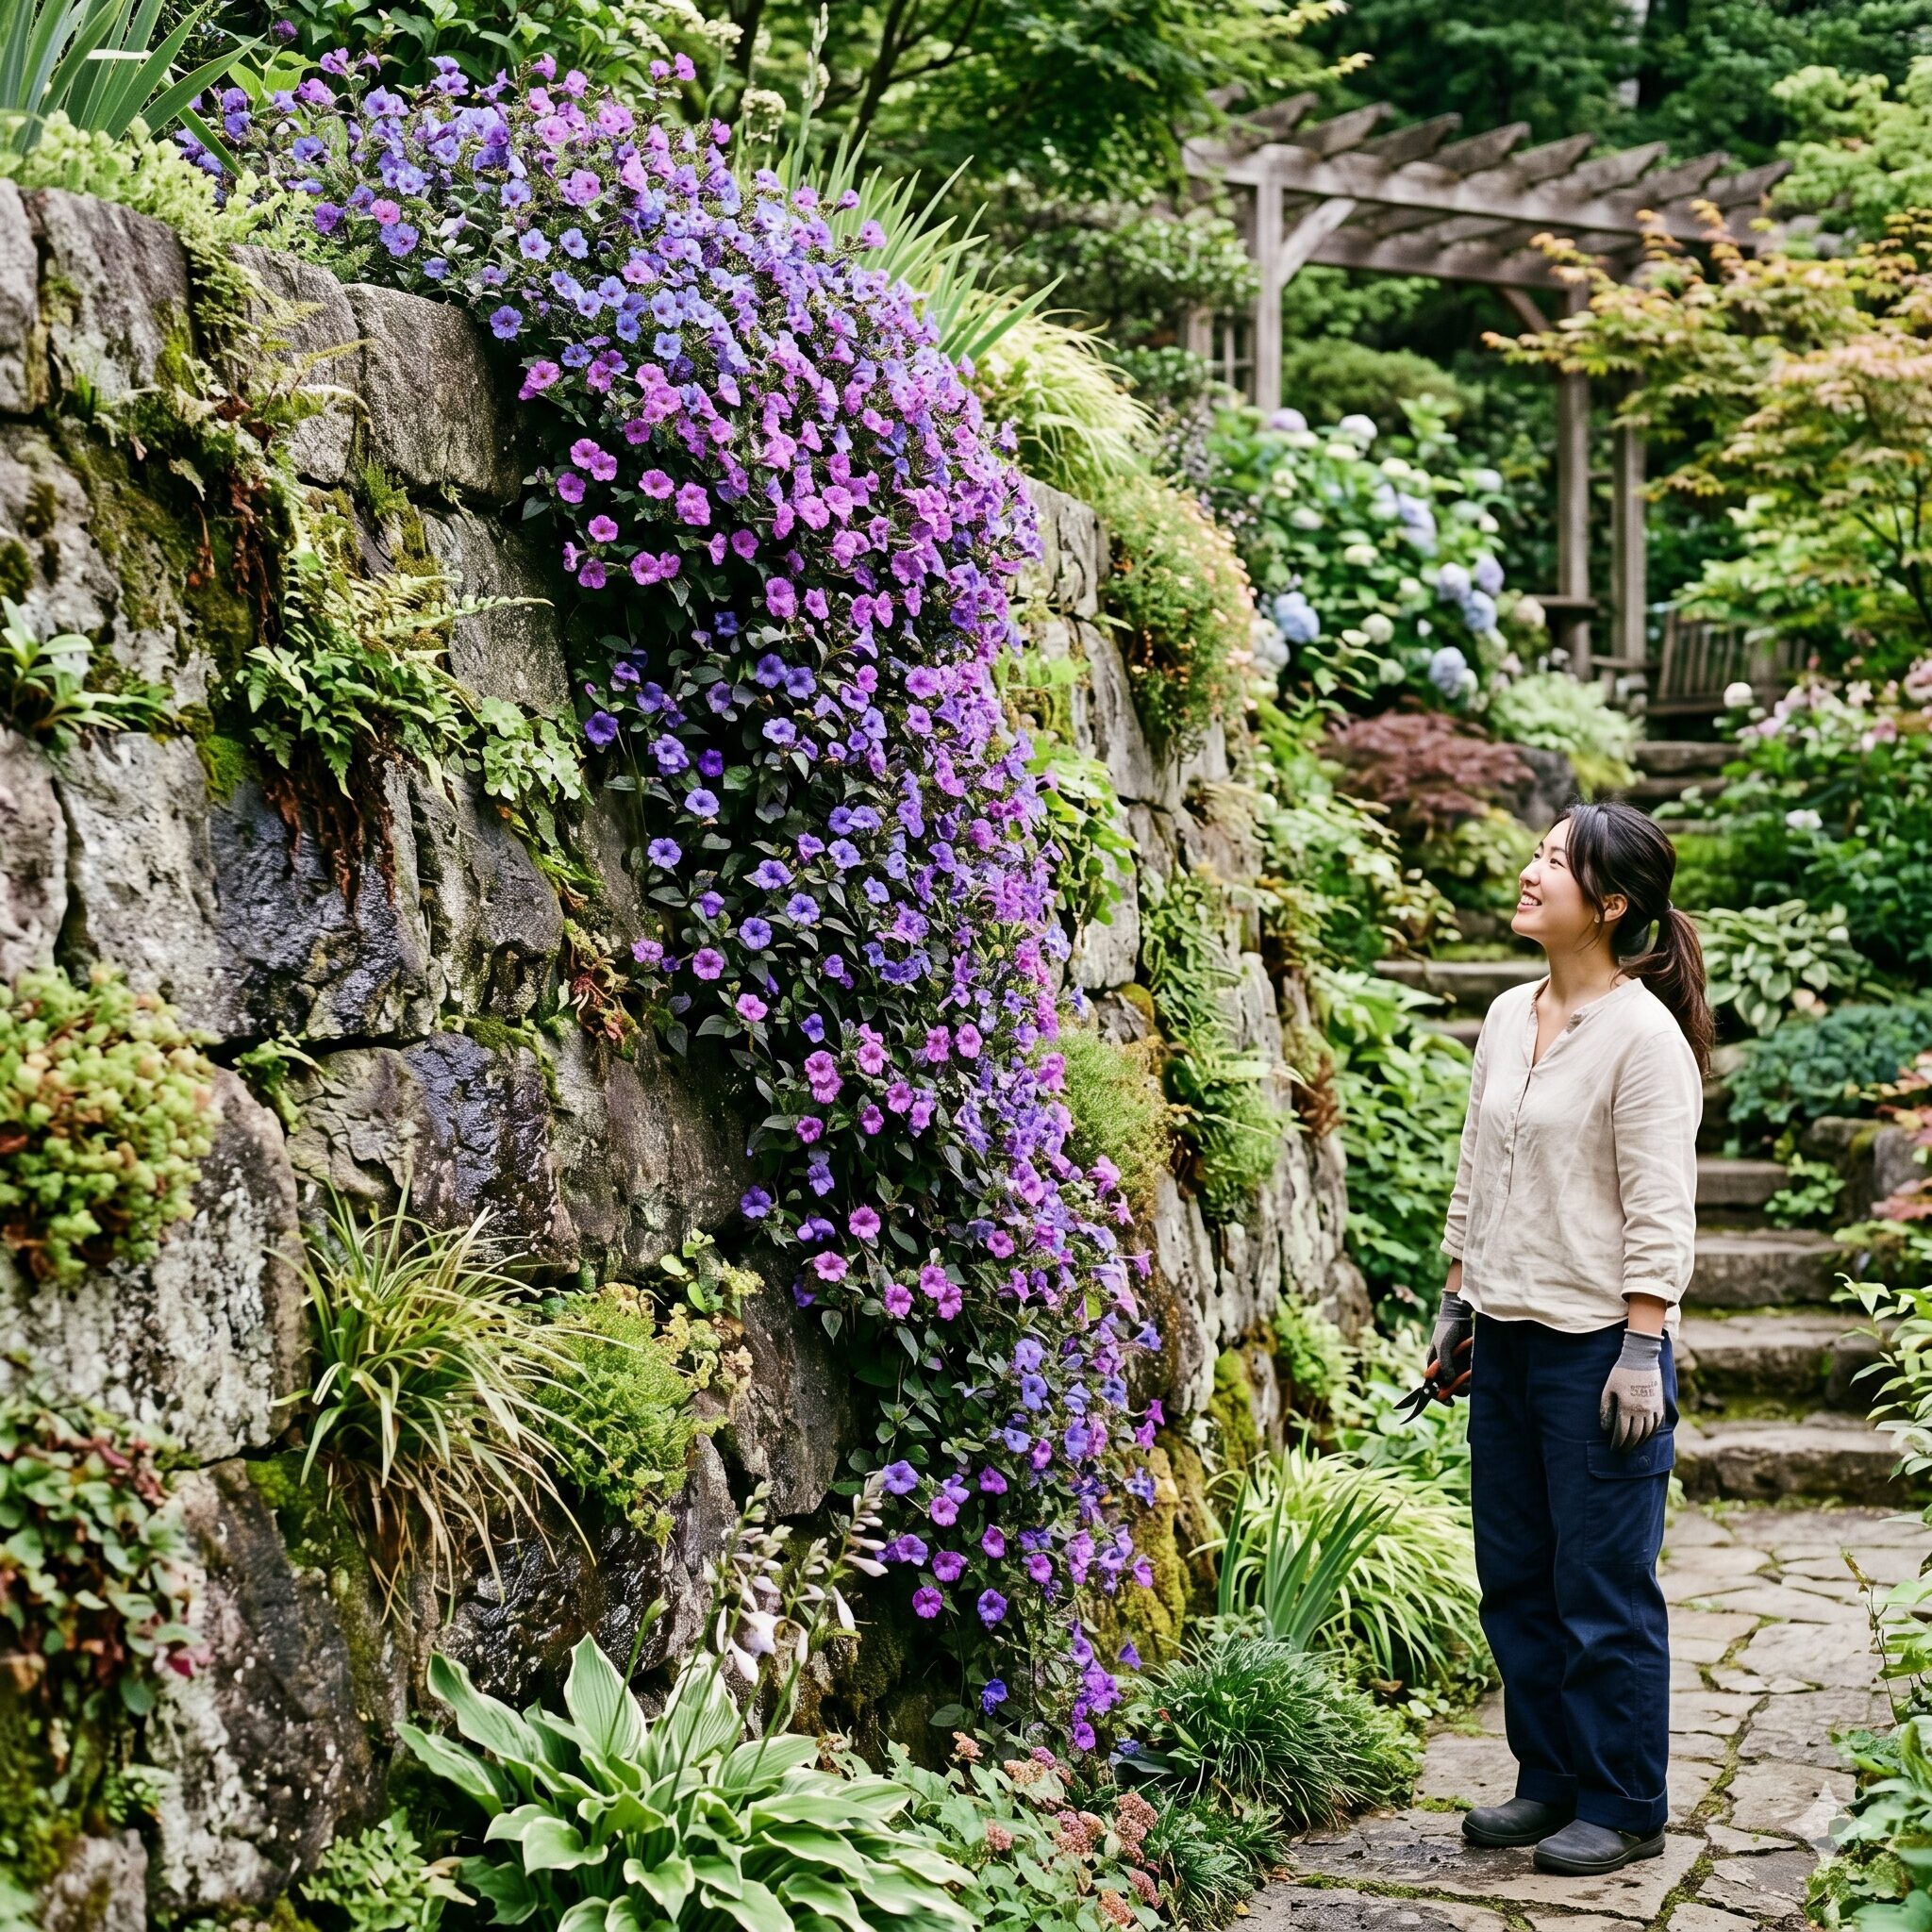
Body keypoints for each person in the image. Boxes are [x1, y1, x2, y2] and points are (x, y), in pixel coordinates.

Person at [1427, 801, 1711, 1877]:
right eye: (1536, 851)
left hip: (1598, 1349)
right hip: (1502, 1335)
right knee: (1515, 1574)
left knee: (1600, 1583)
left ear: (1609, 901)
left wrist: (1643, 1344)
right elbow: (1474, 1169)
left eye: (1552, 859)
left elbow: (1659, 1205)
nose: (1527, 869)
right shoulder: (1507, 1012)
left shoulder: (1641, 1038)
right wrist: (1457, 1301)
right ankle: (1546, 1780)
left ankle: (1624, 1800)